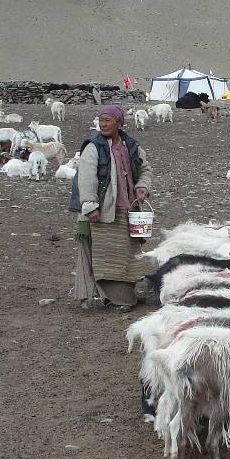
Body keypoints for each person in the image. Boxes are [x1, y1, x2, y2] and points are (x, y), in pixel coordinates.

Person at [70, 104, 153, 312]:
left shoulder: (131, 146)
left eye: (108, 120)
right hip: (103, 211)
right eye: (101, 120)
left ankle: (121, 296)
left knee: (127, 256)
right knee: (106, 257)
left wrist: (142, 186)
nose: (103, 124)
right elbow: (86, 178)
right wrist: (90, 206)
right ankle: (116, 297)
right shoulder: (93, 147)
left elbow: (145, 169)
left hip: (128, 210)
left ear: (119, 123)